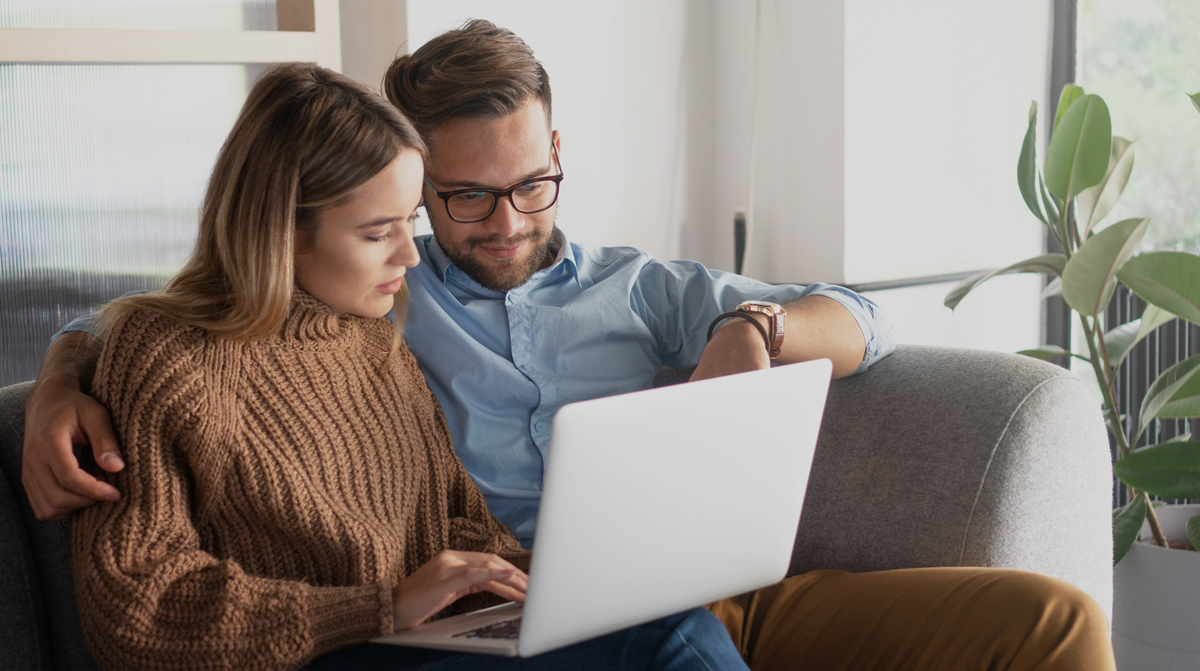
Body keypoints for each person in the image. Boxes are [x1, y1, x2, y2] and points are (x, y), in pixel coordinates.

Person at [26, 21, 1116, 671]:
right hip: (505, 616)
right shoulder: (385, 310)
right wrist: (62, 376)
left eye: (532, 183)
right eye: (459, 201)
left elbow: (861, 318)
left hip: (698, 585)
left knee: (1050, 617)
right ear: (411, 192)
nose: (505, 222)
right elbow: (182, 325)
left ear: (558, 150)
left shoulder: (631, 289)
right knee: (669, 638)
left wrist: (753, 329)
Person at [66, 61, 748, 671]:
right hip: (319, 651)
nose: (412, 256)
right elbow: (137, 610)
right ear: (281, 228)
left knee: (669, 625)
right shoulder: (166, 358)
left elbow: (454, 524)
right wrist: (380, 606)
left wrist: (552, 579)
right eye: (377, 232)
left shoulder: (372, 340)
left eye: (408, 221)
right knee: (670, 646)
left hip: (415, 638)